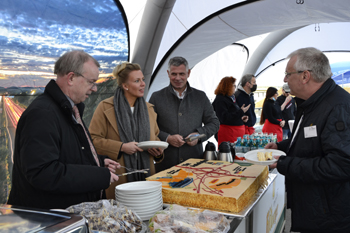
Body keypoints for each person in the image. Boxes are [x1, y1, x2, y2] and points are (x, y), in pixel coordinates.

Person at [7, 50, 120, 210]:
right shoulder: (43, 114)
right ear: (71, 78)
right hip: (49, 221)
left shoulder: (68, 109)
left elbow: (67, 154)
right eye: (91, 82)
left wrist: (98, 162)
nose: (95, 89)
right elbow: (43, 173)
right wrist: (98, 176)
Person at [268, 47, 350, 232]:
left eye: (288, 74)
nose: (285, 80)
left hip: (329, 217)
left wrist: (286, 164)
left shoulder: (337, 107)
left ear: (305, 76)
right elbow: (311, 140)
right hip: (316, 209)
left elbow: (341, 164)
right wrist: (281, 146)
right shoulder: (313, 103)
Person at [89, 62, 164, 199]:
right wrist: (121, 147)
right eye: (137, 81)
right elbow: (92, 141)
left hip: (146, 179)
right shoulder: (105, 108)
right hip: (119, 178)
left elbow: (156, 137)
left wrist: (158, 151)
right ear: (125, 86)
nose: (143, 84)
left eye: (143, 79)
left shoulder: (149, 109)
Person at [149, 56, 220, 172]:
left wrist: (198, 135)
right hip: (165, 164)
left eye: (182, 74)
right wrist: (167, 138)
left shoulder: (200, 97)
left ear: (188, 73)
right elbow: (149, 127)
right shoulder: (156, 97)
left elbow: (214, 123)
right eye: (174, 74)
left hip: (194, 164)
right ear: (168, 73)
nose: (178, 78)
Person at [212, 76, 250, 146]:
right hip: (228, 133)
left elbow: (233, 114)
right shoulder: (220, 100)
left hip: (236, 133)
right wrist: (241, 112)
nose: (235, 88)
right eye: (234, 86)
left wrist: (242, 117)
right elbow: (225, 118)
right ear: (227, 86)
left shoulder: (231, 98)